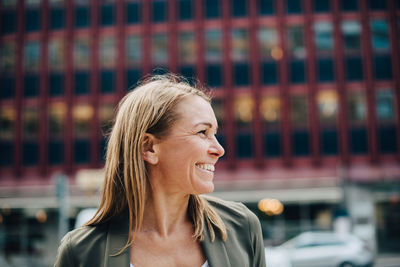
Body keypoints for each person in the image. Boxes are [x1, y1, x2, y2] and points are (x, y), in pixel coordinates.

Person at [54, 74, 266, 267]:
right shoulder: (80, 253)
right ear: (149, 147)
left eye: (215, 133)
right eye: (203, 132)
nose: (219, 150)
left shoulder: (242, 227)